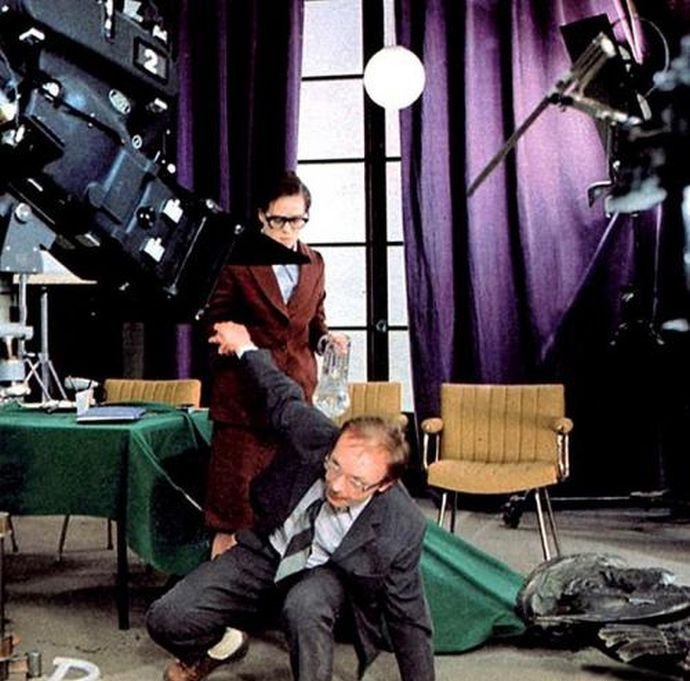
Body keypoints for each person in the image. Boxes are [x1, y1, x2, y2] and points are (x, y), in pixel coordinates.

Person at [146, 320, 435, 681]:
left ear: (383, 485)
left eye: (357, 481)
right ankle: (221, 646)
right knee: (166, 618)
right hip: (267, 551)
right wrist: (244, 345)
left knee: (304, 606)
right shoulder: (315, 436)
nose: (336, 485)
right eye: (334, 465)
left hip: (326, 572)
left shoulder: (403, 524)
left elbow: (409, 619)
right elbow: (279, 392)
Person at [204, 171, 346, 557]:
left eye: (297, 221)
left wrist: (327, 342)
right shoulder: (235, 261)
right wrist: (232, 339)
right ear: (261, 217)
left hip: (296, 402)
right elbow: (213, 321)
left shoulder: (315, 262)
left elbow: (314, 325)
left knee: (289, 514)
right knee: (233, 516)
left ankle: (272, 590)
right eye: (279, 220)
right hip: (244, 406)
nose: (287, 230)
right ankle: (217, 589)